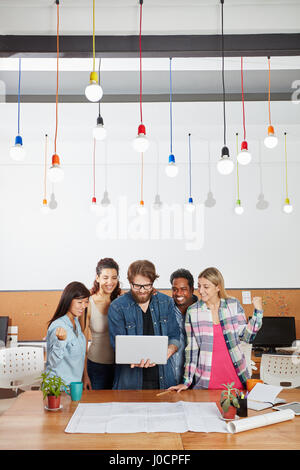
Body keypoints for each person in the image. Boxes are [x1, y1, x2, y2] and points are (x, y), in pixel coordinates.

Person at [169, 267, 263, 392]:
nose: (201, 291)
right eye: (199, 286)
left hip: (235, 378)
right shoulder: (193, 311)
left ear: (218, 287)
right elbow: (191, 350)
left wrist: (258, 312)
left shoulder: (233, 305)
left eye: (206, 287)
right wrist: (186, 382)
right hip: (206, 381)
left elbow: (247, 337)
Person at [108, 260, 180, 390]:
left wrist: (169, 351)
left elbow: (175, 336)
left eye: (147, 286)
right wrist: (132, 357)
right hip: (129, 383)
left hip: (164, 380)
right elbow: (117, 345)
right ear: (130, 283)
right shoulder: (117, 307)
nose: (142, 291)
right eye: (137, 286)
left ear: (153, 283)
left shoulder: (166, 302)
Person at [80, 258, 121, 390]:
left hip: (121, 367)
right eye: (105, 277)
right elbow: (82, 343)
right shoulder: (88, 303)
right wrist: (85, 375)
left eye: (114, 277)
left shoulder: (122, 301)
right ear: (97, 278)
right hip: (97, 366)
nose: (110, 282)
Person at [45, 281, 90, 385]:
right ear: (68, 301)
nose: (84, 306)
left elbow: (81, 354)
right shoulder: (58, 326)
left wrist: (85, 376)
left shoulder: (76, 322)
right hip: (58, 388)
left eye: (86, 302)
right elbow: (52, 363)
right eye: (79, 302)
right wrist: (60, 342)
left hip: (73, 386)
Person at [169, 268, 198, 384]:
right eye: (175, 289)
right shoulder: (166, 309)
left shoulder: (202, 311)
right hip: (169, 379)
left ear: (192, 289)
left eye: (183, 289)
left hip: (195, 380)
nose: (178, 293)